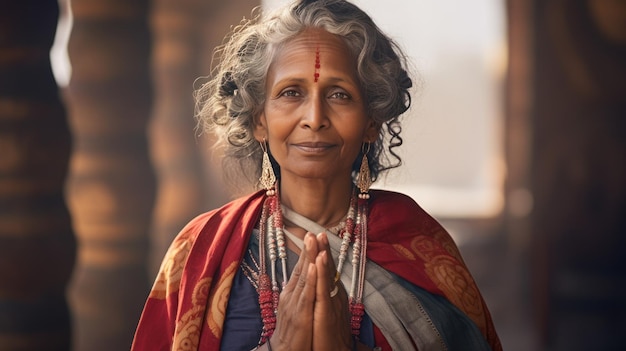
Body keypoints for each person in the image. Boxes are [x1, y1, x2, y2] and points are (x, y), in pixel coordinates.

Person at [131, 0, 502, 350]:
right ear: (259, 119)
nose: (314, 117)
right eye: (291, 92)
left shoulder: (418, 244)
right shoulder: (201, 247)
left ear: (371, 121)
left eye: (339, 95)